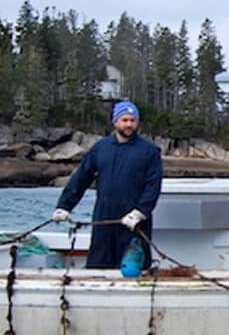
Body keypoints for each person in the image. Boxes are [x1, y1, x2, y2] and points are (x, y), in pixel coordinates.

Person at [53, 100, 163, 271]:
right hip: (103, 219)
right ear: (115, 122)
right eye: (124, 120)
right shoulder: (100, 148)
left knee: (133, 269)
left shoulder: (149, 151)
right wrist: (64, 206)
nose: (129, 124)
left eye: (132, 120)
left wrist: (140, 212)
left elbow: (153, 186)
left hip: (134, 222)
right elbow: (81, 178)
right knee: (98, 267)